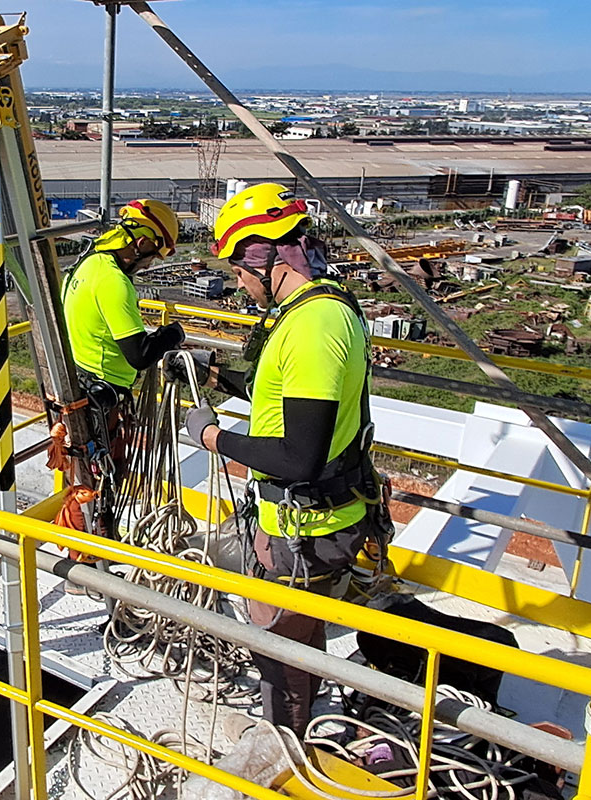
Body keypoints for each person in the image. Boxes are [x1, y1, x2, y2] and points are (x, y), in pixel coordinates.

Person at [186, 183, 388, 734]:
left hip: (307, 523)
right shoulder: (319, 308)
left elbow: (298, 456)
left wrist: (211, 438)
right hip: (309, 516)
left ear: (268, 257)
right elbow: (294, 407)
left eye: (240, 272)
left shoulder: (312, 326)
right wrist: (223, 379)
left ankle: (282, 746)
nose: (240, 285)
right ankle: (293, 719)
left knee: (278, 645)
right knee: (300, 630)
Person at [59, 199, 186, 540]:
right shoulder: (114, 280)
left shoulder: (85, 265)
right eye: (151, 257)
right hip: (103, 398)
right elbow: (139, 355)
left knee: (90, 478)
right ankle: (88, 556)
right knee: (101, 480)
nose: (146, 266)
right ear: (143, 243)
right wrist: (172, 334)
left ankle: (91, 549)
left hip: (83, 385)